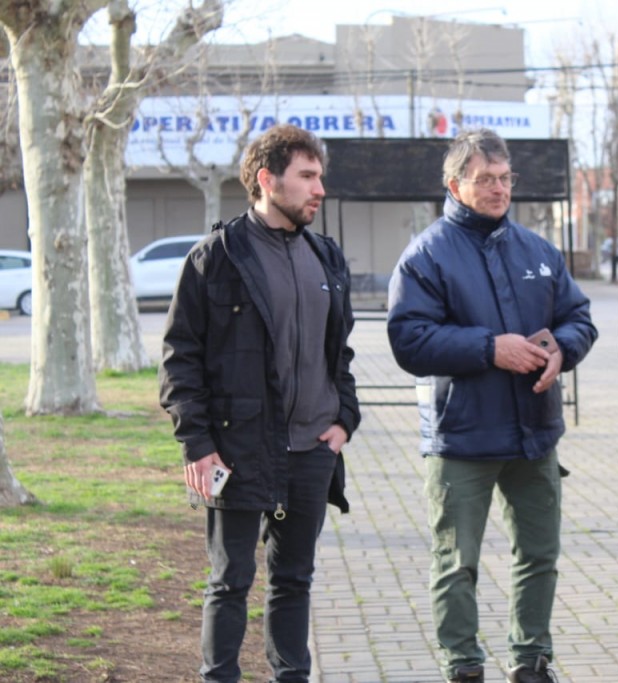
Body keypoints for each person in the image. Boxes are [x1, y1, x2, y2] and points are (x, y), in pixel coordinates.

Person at [387, 128, 597, 683]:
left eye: (505, 179)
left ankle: (531, 661)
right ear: (455, 185)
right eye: (486, 179)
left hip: (535, 433)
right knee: (457, 564)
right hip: (463, 438)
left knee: (539, 556)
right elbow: (408, 340)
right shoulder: (425, 256)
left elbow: (579, 317)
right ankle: (463, 665)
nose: (499, 189)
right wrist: (489, 348)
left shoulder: (539, 251)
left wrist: (563, 348)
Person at [159, 123, 361, 683]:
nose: (319, 189)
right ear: (267, 180)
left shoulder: (327, 257)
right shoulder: (216, 257)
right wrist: (197, 446)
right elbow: (180, 361)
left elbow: (338, 352)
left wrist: (345, 419)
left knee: (295, 579)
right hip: (237, 451)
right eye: (308, 177)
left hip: (312, 452)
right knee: (231, 582)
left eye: (320, 176)